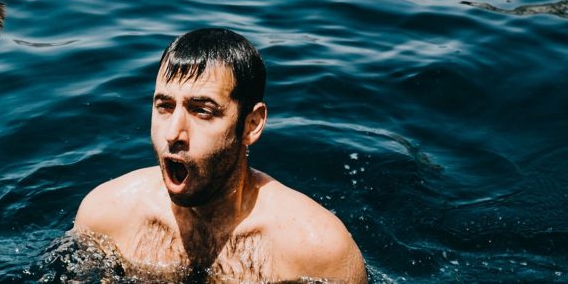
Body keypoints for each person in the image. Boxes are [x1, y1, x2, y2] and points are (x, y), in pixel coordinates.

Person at [73, 28, 367, 282]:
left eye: (202, 111)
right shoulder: (106, 217)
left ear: (251, 125)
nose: (173, 133)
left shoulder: (317, 252)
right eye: (164, 106)